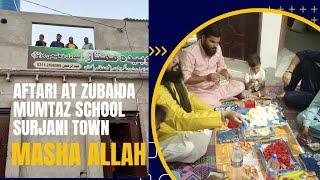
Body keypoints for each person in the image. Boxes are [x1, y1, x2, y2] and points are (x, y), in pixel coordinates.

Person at [156, 58, 243, 163]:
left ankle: (198, 130)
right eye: (169, 58)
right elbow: (180, 119)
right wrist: (221, 116)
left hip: (212, 91)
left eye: (175, 56)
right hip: (166, 136)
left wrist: (214, 112)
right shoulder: (159, 91)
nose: (176, 60)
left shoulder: (174, 78)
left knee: (206, 125)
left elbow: (190, 99)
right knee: (192, 146)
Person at [179, 24, 245, 107]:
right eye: (212, 42)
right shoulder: (189, 53)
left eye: (217, 42)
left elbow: (221, 67)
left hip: (215, 87)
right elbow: (185, 79)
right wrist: (206, 78)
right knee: (207, 101)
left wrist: (225, 72)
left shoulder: (218, 48)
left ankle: (218, 100)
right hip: (198, 90)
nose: (215, 45)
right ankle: (219, 100)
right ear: (203, 38)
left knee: (240, 85)